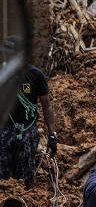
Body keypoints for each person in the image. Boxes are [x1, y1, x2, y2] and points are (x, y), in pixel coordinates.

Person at [0, 40, 56, 187]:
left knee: (25, 175)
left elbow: (47, 105)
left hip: (27, 129)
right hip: (5, 129)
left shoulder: (35, 75)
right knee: (2, 173)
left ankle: (24, 202)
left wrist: (52, 135)